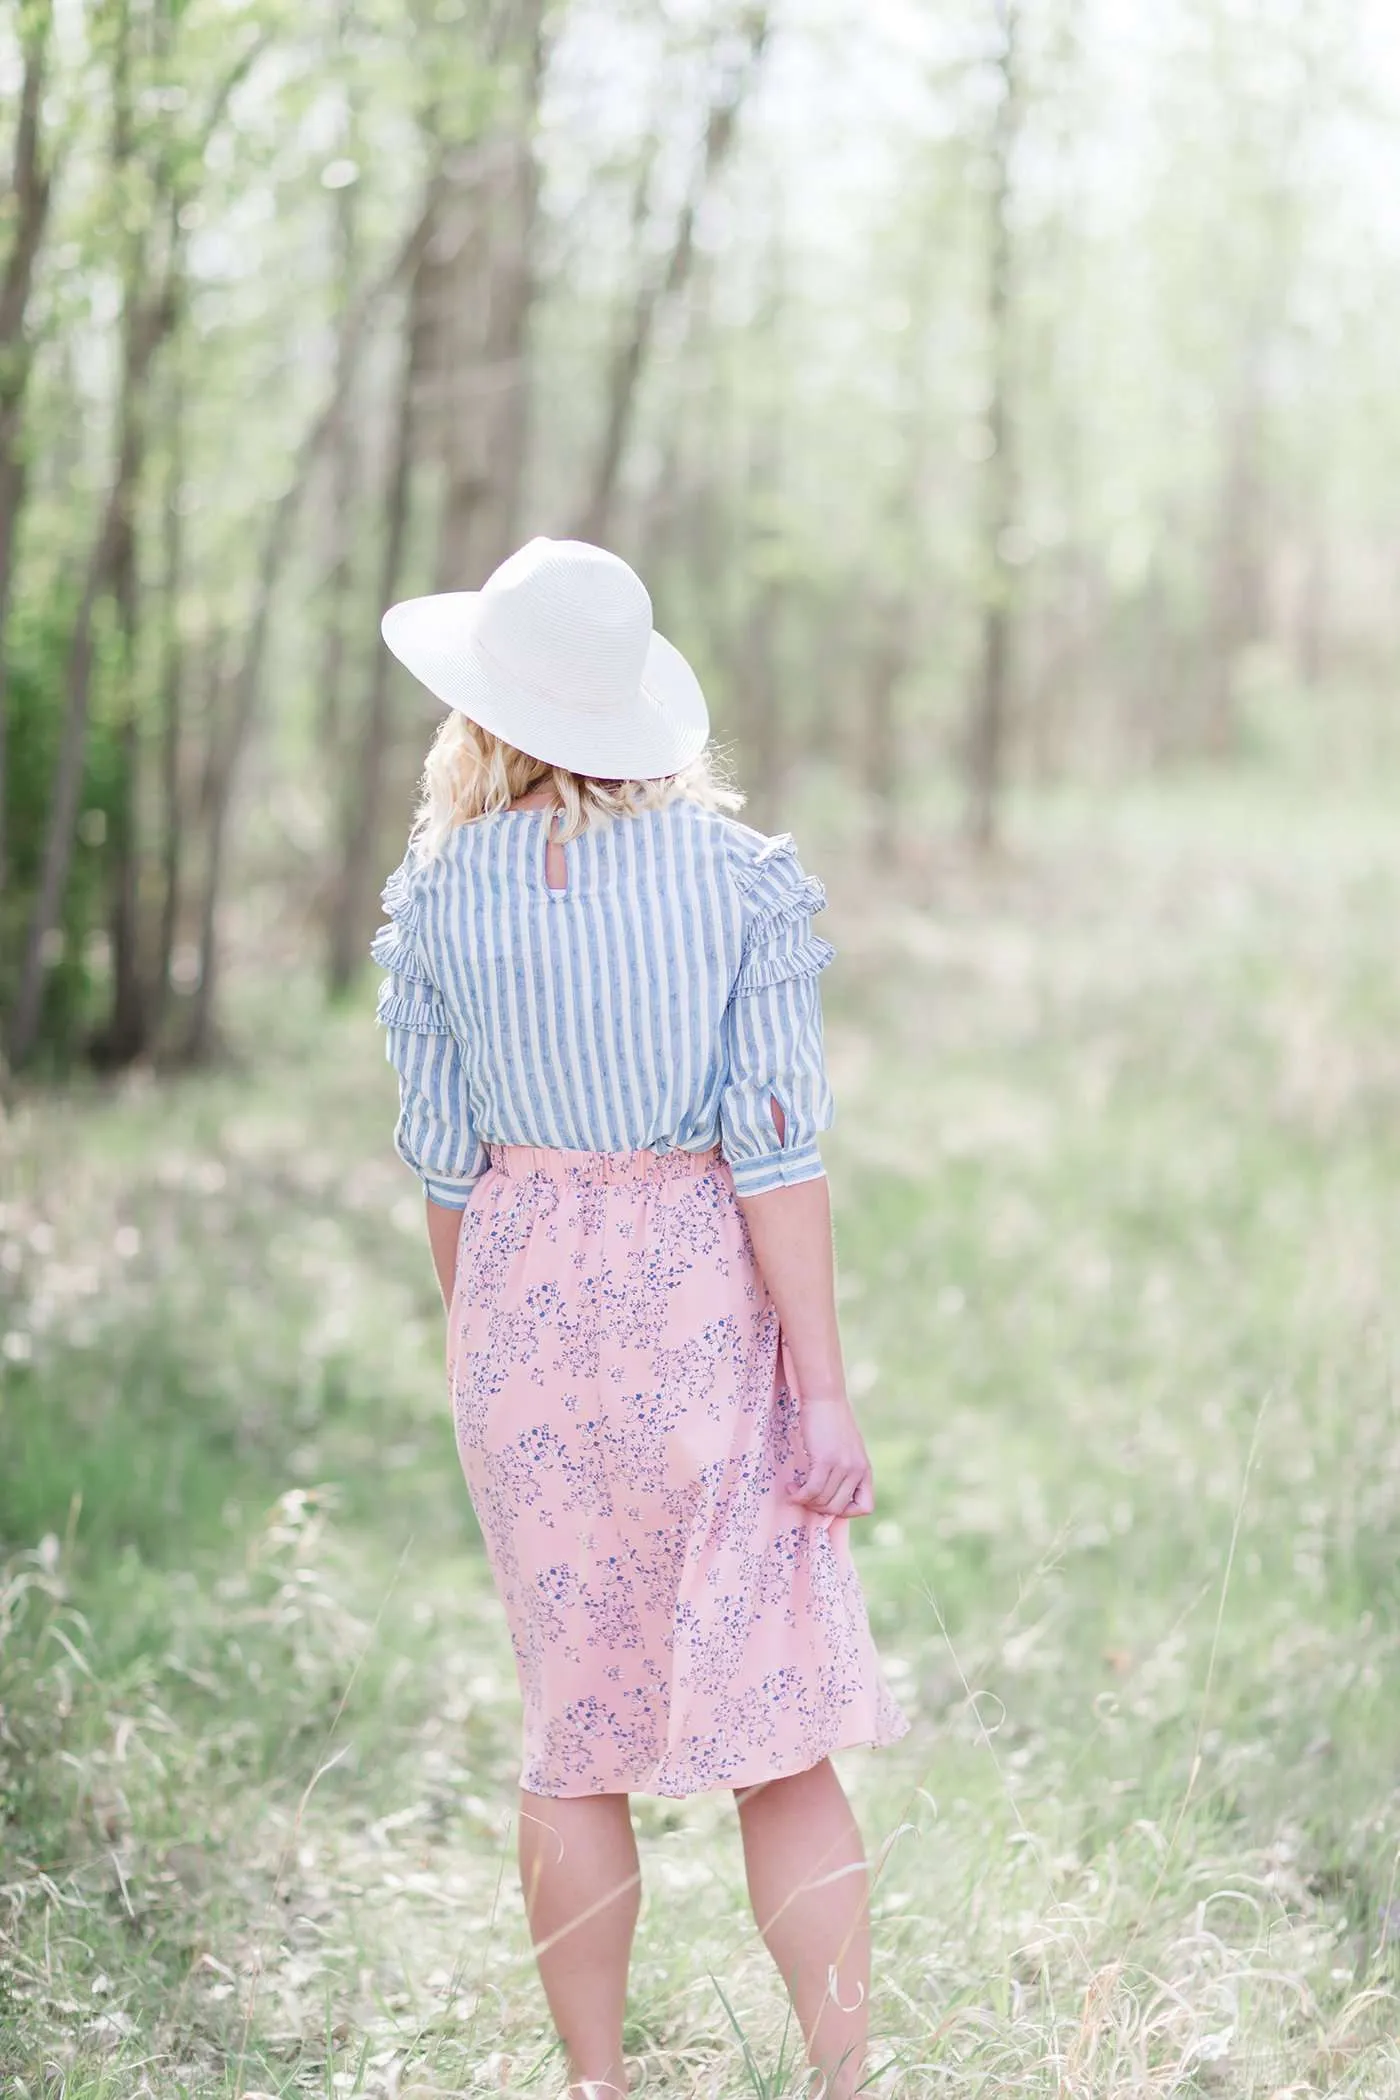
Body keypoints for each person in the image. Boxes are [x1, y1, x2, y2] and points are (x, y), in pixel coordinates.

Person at [372, 537, 909, 2100]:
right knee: (777, 1730)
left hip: (522, 1324)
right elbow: (778, 1148)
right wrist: (822, 1388)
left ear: (486, 709)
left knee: (572, 1727)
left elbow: (443, 1167)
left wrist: (487, 1350)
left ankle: (595, 2083)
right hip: (698, 1316)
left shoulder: (434, 898)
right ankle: (841, 2078)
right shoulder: (738, 883)